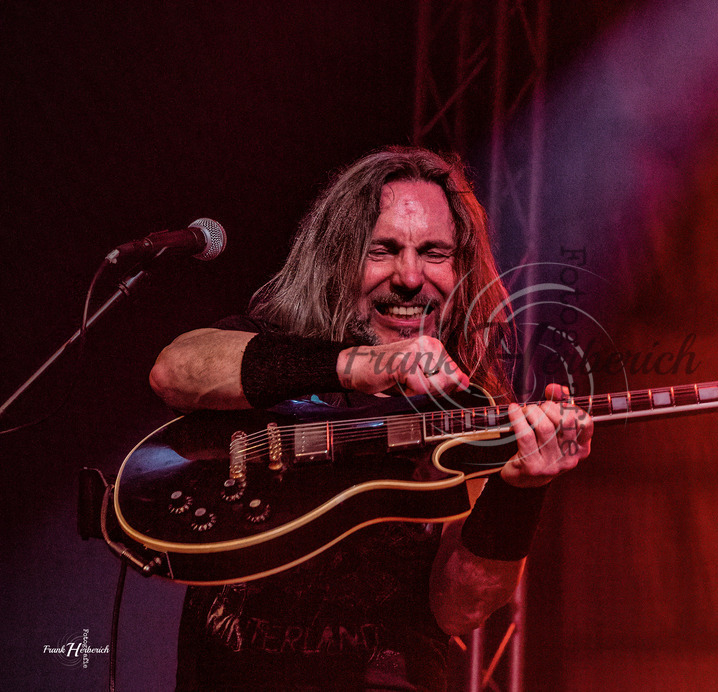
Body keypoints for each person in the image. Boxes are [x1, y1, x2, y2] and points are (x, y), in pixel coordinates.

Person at [148, 146, 594, 691]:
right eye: (382, 250)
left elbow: (459, 607)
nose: (410, 277)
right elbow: (173, 369)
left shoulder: (469, 407)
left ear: (461, 269)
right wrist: (360, 365)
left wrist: (523, 491)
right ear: (338, 259)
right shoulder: (282, 351)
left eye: (435, 253)